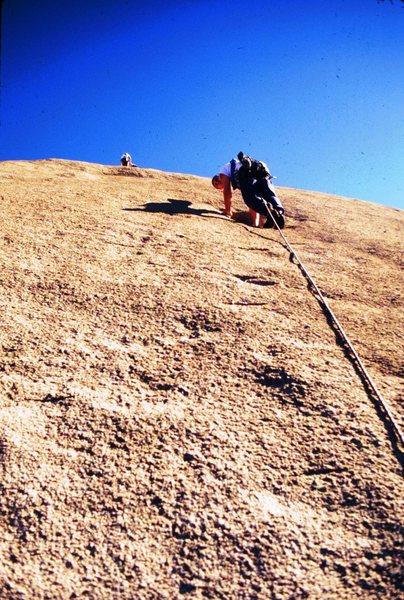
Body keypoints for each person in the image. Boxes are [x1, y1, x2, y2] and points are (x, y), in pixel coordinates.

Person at [212, 152, 285, 228]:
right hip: (260, 168)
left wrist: (228, 211)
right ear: (220, 188)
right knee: (266, 193)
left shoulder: (223, 172)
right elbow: (252, 207)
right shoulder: (236, 173)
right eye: (215, 184)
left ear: (218, 175)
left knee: (250, 198)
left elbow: (227, 192)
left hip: (245, 171)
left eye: (216, 179)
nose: (217, 182)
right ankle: (279, 213)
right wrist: (256, 224)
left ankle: (271, 213)